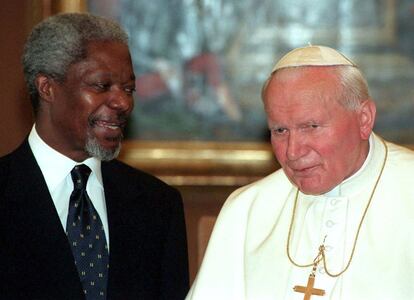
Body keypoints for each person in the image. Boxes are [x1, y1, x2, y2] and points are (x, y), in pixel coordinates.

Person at [186, 45, 414, 299]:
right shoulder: (247, 209)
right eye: (280, 131)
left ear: (363, 119)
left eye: (311, 126)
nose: (293, 152)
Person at [0, 13, 189, 300]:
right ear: (47, 88)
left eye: (128, 88)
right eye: (102, 86)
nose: (123, 102)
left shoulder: (158, 205)